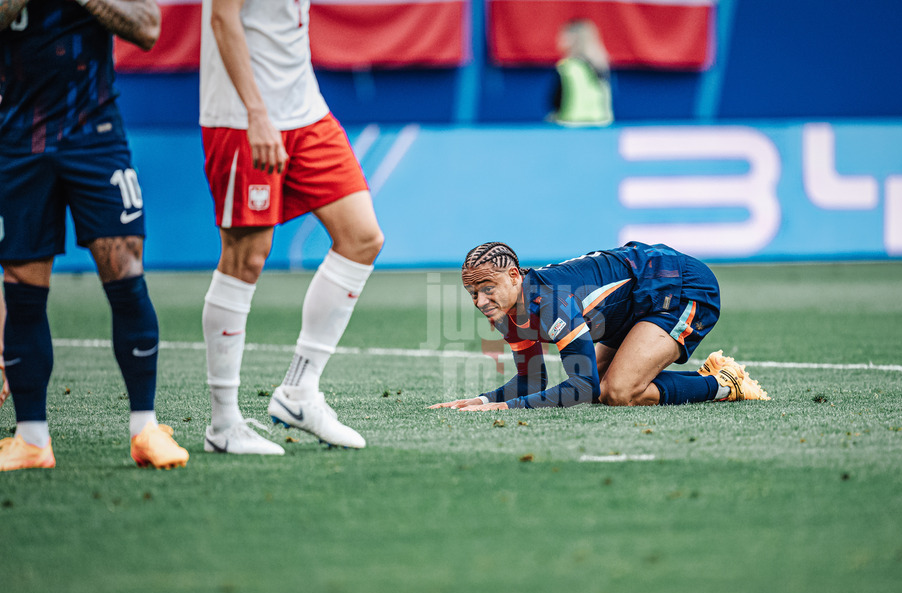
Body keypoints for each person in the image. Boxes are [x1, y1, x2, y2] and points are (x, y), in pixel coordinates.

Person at [0, 0, 189, 471]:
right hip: (18, 139)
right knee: (22, 283)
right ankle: (31, 439)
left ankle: (146, 428)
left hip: (95, 133)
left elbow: (148, 27)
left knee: (125, 267)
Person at [199, 0, 385, 454]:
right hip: (243, 117)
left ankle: (300, 391)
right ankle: (223, 424)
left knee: (362, 238)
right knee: (246, 257)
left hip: (305, 111)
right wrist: (257, 114)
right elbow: (222, 18)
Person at [428, 242, 769, 411]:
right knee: (608, 388)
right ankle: (705, 379)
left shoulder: (550, 302)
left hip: (677, 286)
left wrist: (506, 407)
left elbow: (582, 387)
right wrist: (480, 400)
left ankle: (723, 384)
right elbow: (532, 380)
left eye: (487, 288)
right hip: (634, 302)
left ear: (515, 276)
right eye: (472, 292)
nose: (480, 301)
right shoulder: (506, 311)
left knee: (617, 392)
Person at [548, 19, 614, 127]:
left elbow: (556, 101)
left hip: (572, 123)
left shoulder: (567, 67)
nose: (559, 39)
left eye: (563, 36)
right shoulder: (601, 66)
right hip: (601, 122)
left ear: (572, 39)